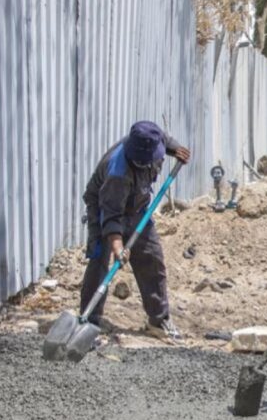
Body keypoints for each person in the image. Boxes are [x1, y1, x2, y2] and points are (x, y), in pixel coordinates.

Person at [81, 120, 190, 339]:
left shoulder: (151, 137)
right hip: (104, 207)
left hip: (138, 208)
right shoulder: (117, 174)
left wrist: (175, 148)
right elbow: (111, 214)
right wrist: (118, 246)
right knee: (100, 260)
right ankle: (88, 321)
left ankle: (158, 320)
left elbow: (163, 138)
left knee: (151, 257)